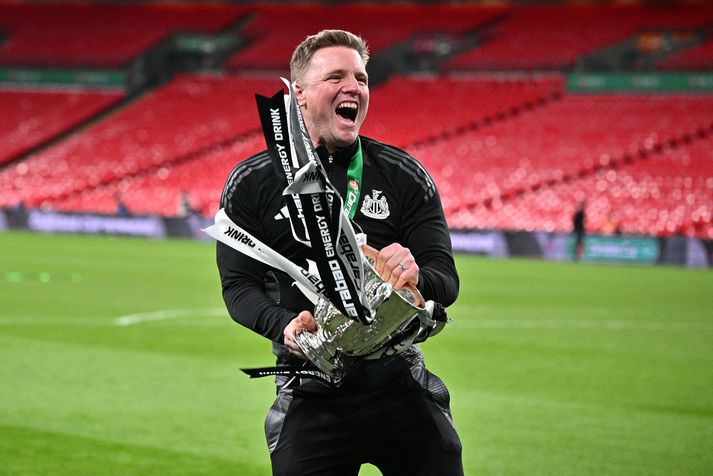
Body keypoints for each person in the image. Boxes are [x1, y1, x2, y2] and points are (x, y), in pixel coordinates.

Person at [216, 30, 462, 475]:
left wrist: (418, 275)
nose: (354, 87)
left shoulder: (405, 175)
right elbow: (238, 286)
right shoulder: (251, 182)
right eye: (336, 77)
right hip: (309, 393)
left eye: (361, 79)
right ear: (301, 95)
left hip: (399, 385)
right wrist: (283, 326)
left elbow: (446, 276)